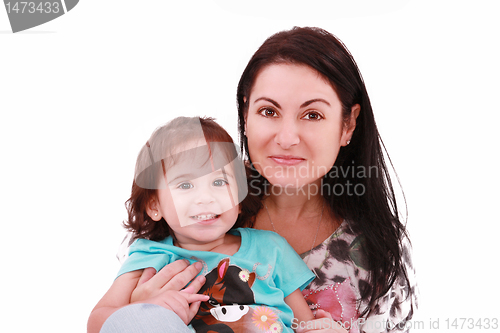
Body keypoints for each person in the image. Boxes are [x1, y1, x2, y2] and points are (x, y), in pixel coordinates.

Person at [95, 27, 418, 333]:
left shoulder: (377, 248)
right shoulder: (182, 220)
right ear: (246, 116)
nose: (287, 137)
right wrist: (139, 311)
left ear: (347, 125)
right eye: (268, 111)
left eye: (312, 115)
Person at [88, 116, 336, 333]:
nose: (205, 198)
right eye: (185, 185)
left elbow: (303, 323)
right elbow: (98, 323)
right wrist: (144, 310)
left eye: (219, 182)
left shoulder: (271, 248)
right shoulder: (151, 255)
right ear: (155, 205)